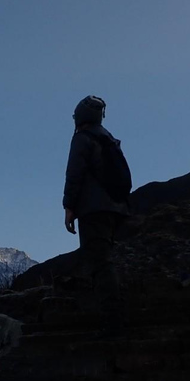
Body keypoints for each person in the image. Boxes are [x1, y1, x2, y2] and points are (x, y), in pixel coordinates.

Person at [63, 95, 131, 332]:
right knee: (106, 258)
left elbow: (74, 174)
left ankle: (112, 319)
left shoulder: (83, 139)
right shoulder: (109, 139)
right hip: (117, 208)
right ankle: (113, 312)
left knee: (99, 261)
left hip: (94, 209)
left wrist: (69, 206)